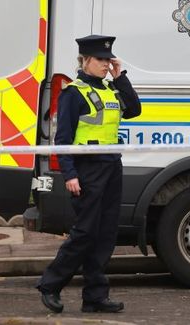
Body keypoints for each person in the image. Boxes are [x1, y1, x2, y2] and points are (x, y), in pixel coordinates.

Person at [36, 34, 141, 313]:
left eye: (109, 59)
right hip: (87, 170)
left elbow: (134, 109)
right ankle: (50, 285)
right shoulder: (73, 92)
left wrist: (121, 77)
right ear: (85, 61)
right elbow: (64, 137)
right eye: (101, 60)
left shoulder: (111, 90)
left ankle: (95, 296)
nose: (106, 64)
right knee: (84, 232)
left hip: (111, 167)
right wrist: (69, 174)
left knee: (105, 234)